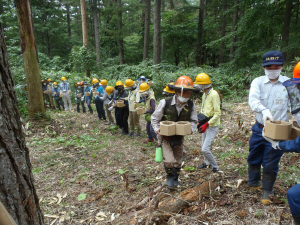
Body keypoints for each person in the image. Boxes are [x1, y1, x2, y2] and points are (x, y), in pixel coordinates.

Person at [247, 50, 291, 205]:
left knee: (271, 161)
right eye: (269, 67)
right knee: (254, 156)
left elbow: (295, 105)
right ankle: (253, 182)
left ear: (282, 66)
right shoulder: (258, 82)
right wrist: (263, 109)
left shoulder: (288, 83)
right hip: (260, 128)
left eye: (276, 66)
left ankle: (267, 190)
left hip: (278, 130)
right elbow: (253, 100)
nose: (273, 69)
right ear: (263, 67)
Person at [151, 76, 198, 188]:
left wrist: (191, 129)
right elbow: (154, 118)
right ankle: (169, 177)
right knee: (169, 160)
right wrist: (157, 129)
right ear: (177, 91)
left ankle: (176, 178)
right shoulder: (165, 103)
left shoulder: (191, 105)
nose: (186, 95)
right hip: (165, 137)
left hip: (179, 137)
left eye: (189, 92)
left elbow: (194, 120)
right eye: (184, 92)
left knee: (178, 159)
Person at [193, 73, 221, 173]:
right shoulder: (205, 93)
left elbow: (218, 113)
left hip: (212, 125)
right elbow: (204, 109)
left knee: (205, 149)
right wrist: (199, 122)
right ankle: (207, 163)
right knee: (202, 145)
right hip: (204, 121)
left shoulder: (214, 94)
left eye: (199, 85)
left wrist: (207, 124)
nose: (198, 86)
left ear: (204, 85)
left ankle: (215, 166)